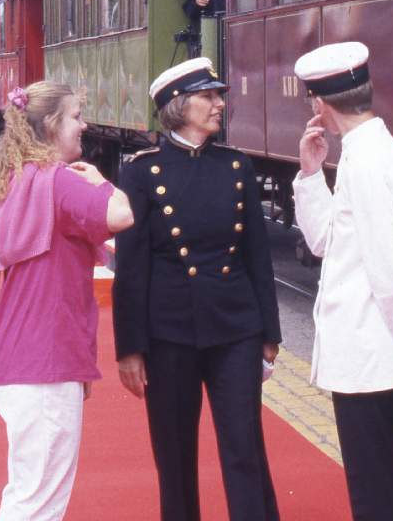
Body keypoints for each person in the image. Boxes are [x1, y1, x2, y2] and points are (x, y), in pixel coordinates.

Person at [113, 57, 282, 521]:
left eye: (219, 95)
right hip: (169, 333)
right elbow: (130, 266)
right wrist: (130, 347)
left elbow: (256, 255)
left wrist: (269, 333)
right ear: (177, 105)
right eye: (208, 96)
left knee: (244, 447)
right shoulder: (142, 173)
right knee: (174, 453)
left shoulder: (236, 165)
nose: (219, 103)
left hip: (235, 328)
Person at [292, 42, 393, 521]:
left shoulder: (371, 162)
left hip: (369, 347)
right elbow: (326, 241)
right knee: (379, 476)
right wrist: (311, 174)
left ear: (320, 103)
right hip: (364, 349)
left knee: (376, 485)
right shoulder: (367, 152)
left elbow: (392, 271)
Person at [0, 81, 135, 521]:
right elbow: (121, 215)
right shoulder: (58, 183)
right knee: (39, 500)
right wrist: (105, 182)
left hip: (20, 352)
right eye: (75, 116)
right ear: (51, 125)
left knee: (27, 487)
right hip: (47, 358)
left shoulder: (17, 177)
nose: (83, 124)